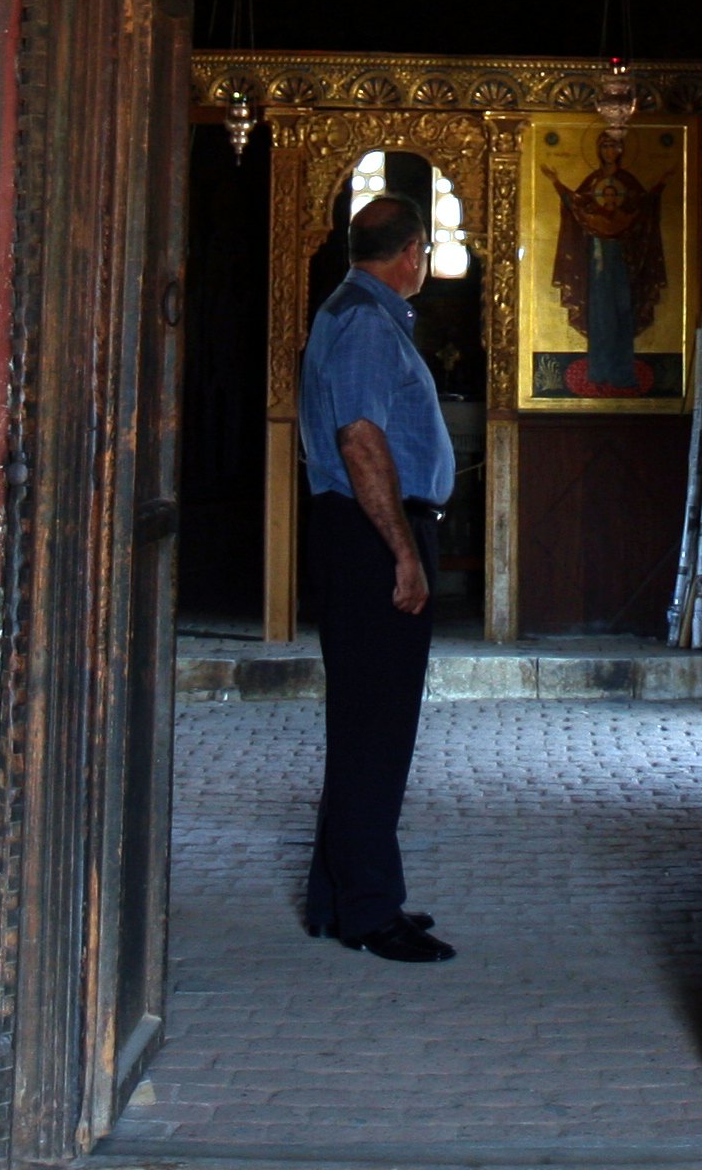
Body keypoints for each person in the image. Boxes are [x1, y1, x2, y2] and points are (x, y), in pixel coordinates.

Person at [297, 196, 457, 962]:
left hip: (362, 529)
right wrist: (402, 550)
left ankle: (336, 896)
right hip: (372, 533)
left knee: (364, 720)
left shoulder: (354, 310)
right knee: (376, 729)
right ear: (412, 252)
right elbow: (360, 440)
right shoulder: (365, 320)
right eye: (423, 251)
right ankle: (369, 912)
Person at [544, 129, 668, 396]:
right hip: (597, 267)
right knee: (600, 317)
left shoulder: (628, 182)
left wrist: (659, 186)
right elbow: (577, 205)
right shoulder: (592, 183)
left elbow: (642, 207)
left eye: (615, 146)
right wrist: (556, 183)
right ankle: (599, 371)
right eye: (605, 146)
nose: (610, 151)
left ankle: (623, 373)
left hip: (624, 266)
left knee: (623, 315)